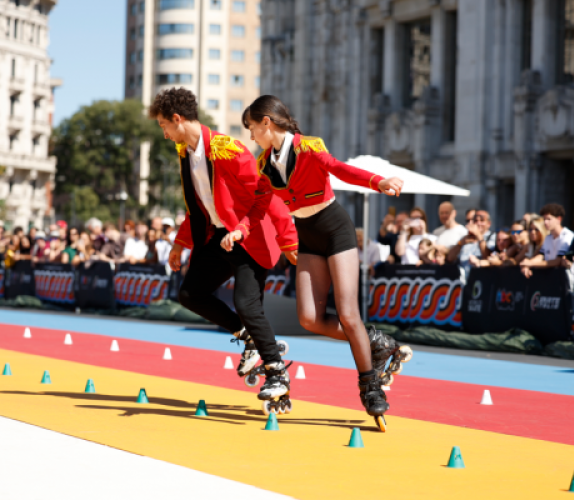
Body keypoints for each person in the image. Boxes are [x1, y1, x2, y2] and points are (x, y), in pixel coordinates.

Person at [242, 94, 409, 430]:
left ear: (266, 123)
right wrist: (239, 229)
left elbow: (339, 169)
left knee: (348, 313)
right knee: (309, 318)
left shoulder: (308, 146)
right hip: (307, 236)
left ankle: (371, 386)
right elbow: (259, 204)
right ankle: (377, 343)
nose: (251, 136)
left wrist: (378, 181)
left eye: (252, 128)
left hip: (335, 229)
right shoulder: (263, 164)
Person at [150, 87, 299, 412]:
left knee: (246, 303)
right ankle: (250, 340)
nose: (164, 134)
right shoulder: (186, 153)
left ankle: (277, 373)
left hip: (250, 236)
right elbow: (197, 206)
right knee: (190, 294)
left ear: (177, 119)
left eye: (164, 125)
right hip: (218, 237)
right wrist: (180, 242)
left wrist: (289, 240)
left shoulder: (227, 150)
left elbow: (266, 193)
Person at [520, 203, 574, 286]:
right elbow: (540, 256)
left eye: (549, 219)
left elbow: (558, 261)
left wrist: (530, 263)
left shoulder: (568, 236)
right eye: (544, 219)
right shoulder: (548, 238)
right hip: (550, 282)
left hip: (566, 282)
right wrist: (527, 264)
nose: (545, 222)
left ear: (559, 219)